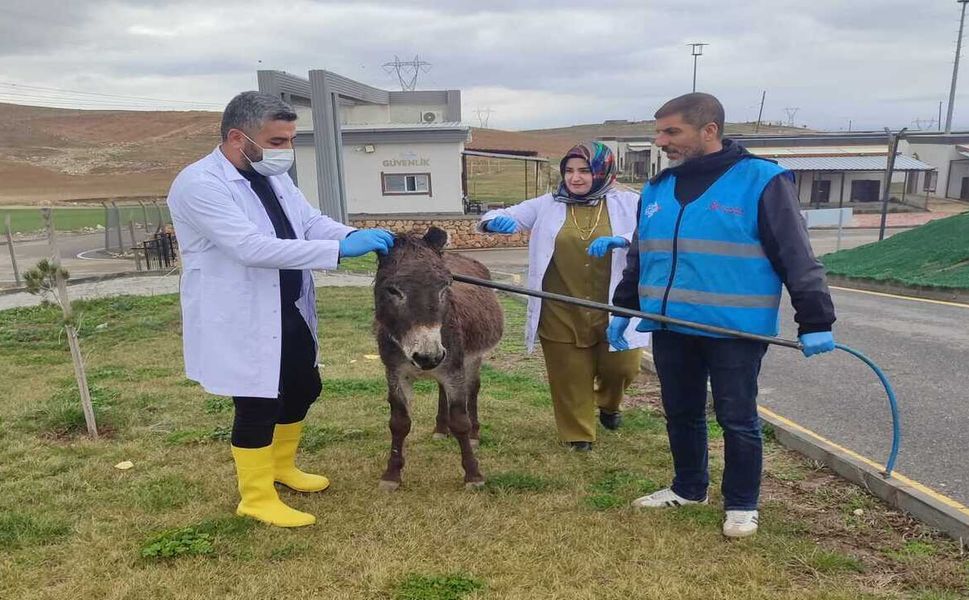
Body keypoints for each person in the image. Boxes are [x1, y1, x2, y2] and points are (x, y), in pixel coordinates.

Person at [608, 93, 836, 538]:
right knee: (681, 411)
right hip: (671, 326)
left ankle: (742, 503)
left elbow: (796, 254)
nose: (661, 142)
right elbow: (641, 254)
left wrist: (816, 321)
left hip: (733, 328)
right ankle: (689, 487)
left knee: (737, 417)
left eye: (671, 132)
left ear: (709, 130)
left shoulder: (762, 181)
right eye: (658, 132)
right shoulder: (656, 189)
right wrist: (624, 308)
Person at [167, 91, 394, 528]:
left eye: (289, 138)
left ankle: (281, 467)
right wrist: (337, 252)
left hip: (286, 303)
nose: (285, 150)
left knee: (303, 385)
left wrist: (351, 234)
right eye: (276, 140)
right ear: (238, 137)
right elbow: (249, 247)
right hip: (241, 311)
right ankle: (255, 496)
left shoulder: (270, 176)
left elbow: (308, 221)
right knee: (257, 401)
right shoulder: (200, 184)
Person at [479, 142, 650, 450]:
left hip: (615, 305)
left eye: (585, 170)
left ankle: (609, 404)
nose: (576, 178)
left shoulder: (630, 202)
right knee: (569, 374)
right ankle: (578, 435)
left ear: (603, 171)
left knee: (623, 368)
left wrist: (622, 240)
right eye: (569, 171)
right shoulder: (548, 204)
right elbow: (503, 215)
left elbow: (652, 233)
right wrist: (494, 221)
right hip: (560, 308)